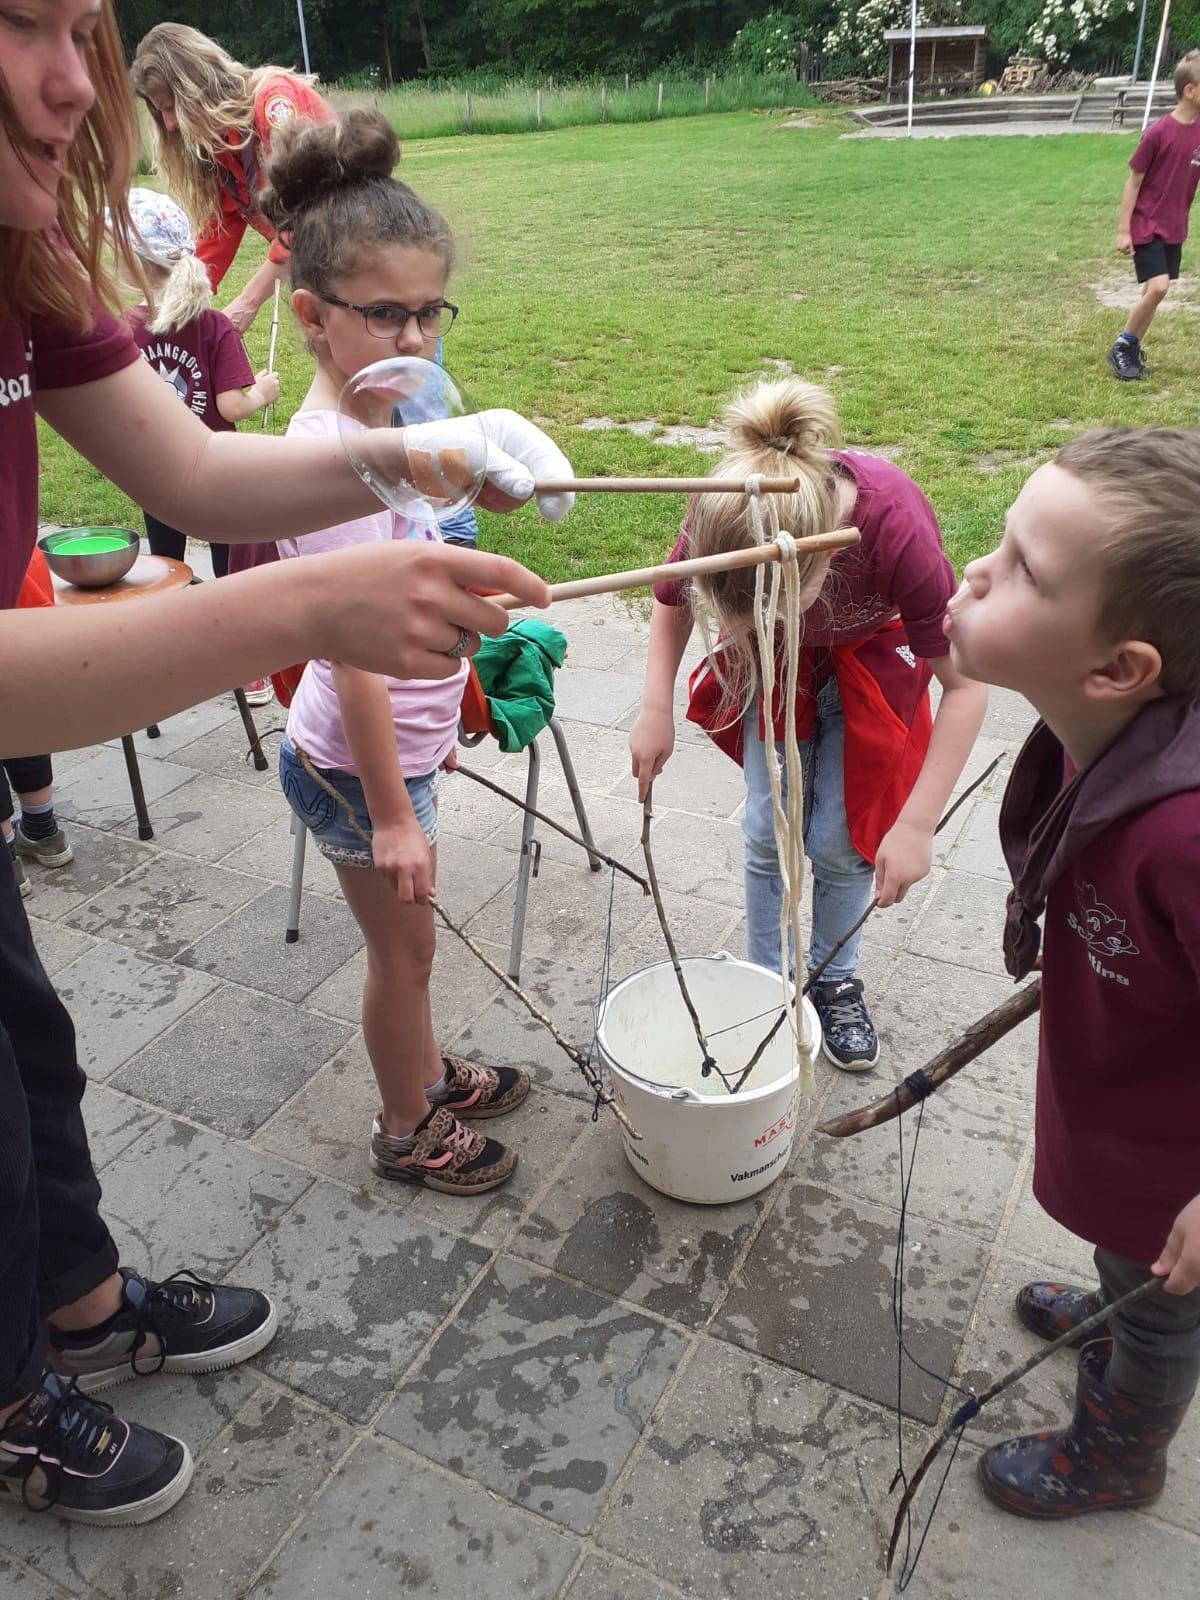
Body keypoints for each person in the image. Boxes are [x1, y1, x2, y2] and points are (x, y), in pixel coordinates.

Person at [0, 0, 568, 1529]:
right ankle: (12, 1401)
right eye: (14, 22)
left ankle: (78, 1304)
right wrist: (325, 602)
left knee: (31, 1057)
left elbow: (187, 468)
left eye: (84, 27)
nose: (72, 80)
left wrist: (416, 456)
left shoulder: (24, 252)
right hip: (330, 758)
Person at [266, 111, 532, 1194]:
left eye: (430, 311)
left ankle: (427, 1072)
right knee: (404, 954)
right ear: (312, 319)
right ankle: (403, 1125)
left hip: (400, 754)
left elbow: (427, 574)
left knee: (414, 949)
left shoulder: (398, 438)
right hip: (351, 763)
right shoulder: (324, 463)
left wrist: (444, 726)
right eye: (385, 315)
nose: (417, 339)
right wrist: (387, 810)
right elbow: (353, 657)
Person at [942, 428, 1200, 1518]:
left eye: (1020, 569)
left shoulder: (1186, 835)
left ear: (1115, 668)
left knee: (1160, 1310)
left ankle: (1120, 1459)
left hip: (1175, 1149)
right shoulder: (1097, 733)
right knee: (1125, 1267)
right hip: (1128, 1087)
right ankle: (1112, 1292)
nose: (973, 571)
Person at [629, 380, 987, 1071]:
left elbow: (966, 686)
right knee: (768, 825)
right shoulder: (727, 504)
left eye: (778, 604)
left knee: (839, 839)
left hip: (875, 660)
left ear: (823, 560)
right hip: (775, 662)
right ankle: (769, 980)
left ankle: (833, 975)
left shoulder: (893, 524)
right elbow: (673, 601)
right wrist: (653, 709)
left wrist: (915, 825)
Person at [117, 186, 280, 703]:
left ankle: (169, 657)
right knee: (228, 565)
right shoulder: (212, 324)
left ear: (136, 264)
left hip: (156, 472)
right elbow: (233, 407)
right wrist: (265, 392)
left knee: (165, 563)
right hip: (214, 471)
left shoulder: (125, 328)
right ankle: (243, 667)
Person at [130, 22, 335, 333]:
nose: (169, 125)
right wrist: (171, 299)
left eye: (171, 107)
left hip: (367, 265)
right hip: (328, 277)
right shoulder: (224, 143)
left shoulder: (273, 104)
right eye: (161, 114)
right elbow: (222, 227)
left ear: (196, 86)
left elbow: (310, 215)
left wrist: (247, 302)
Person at [1107, 50, 1200, 382]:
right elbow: (1133, 182)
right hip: (1147, 223)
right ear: (1190, 90)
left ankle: (1131, 350)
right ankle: (1122, 345)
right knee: (1158, 288)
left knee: (1153, 292)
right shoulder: (1158, 132)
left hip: (1175, 225)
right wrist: (1123, 230)